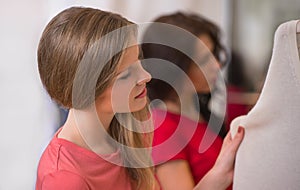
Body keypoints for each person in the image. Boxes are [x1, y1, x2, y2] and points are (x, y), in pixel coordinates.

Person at [36, 7, 244, 190]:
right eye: (126, 74)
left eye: (138, 62)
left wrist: (217, 177)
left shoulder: (129, 136)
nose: (146, 76)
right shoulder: (64, 178)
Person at [141, 12, 234, 189]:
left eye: (213, 54)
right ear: (176, 69)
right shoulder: (163, 127)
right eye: (205, 60)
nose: (217, 65)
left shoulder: (195, 112)